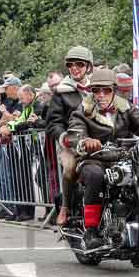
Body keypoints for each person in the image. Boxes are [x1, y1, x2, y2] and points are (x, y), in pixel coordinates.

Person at [65, 68, 139, 250]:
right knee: (95, 175)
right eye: (96, 90)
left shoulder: (125, 108)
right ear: (91, 92)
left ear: (114, 90)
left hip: (123, 157)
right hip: (95, 159)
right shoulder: (82, 110)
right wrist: (86, 141)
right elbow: (74, 133)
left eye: (106, 90)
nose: (101, 95)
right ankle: (92, 231)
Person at [46, 46, 94, 226]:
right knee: (70, 167)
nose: (74, 68)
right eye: (70, 65)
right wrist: (64, 137)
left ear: (88, 66)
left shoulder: (98, 87)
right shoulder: (61, 91)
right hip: (71, 143)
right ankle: (65, 207)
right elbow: (53, 122)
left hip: (98, 140)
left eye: (79, 64)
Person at [0, 84, 42, 222]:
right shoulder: (27, 107)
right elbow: (20, 121)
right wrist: (9, 126)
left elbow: (27, 124)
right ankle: (20, 209)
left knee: (29, 178)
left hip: (35, 146)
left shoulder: (37, 106)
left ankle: (28, 211)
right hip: (25, 146)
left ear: (30, 95)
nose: (21, 102)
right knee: (19, 178)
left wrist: (10, 127)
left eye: (22, 98)